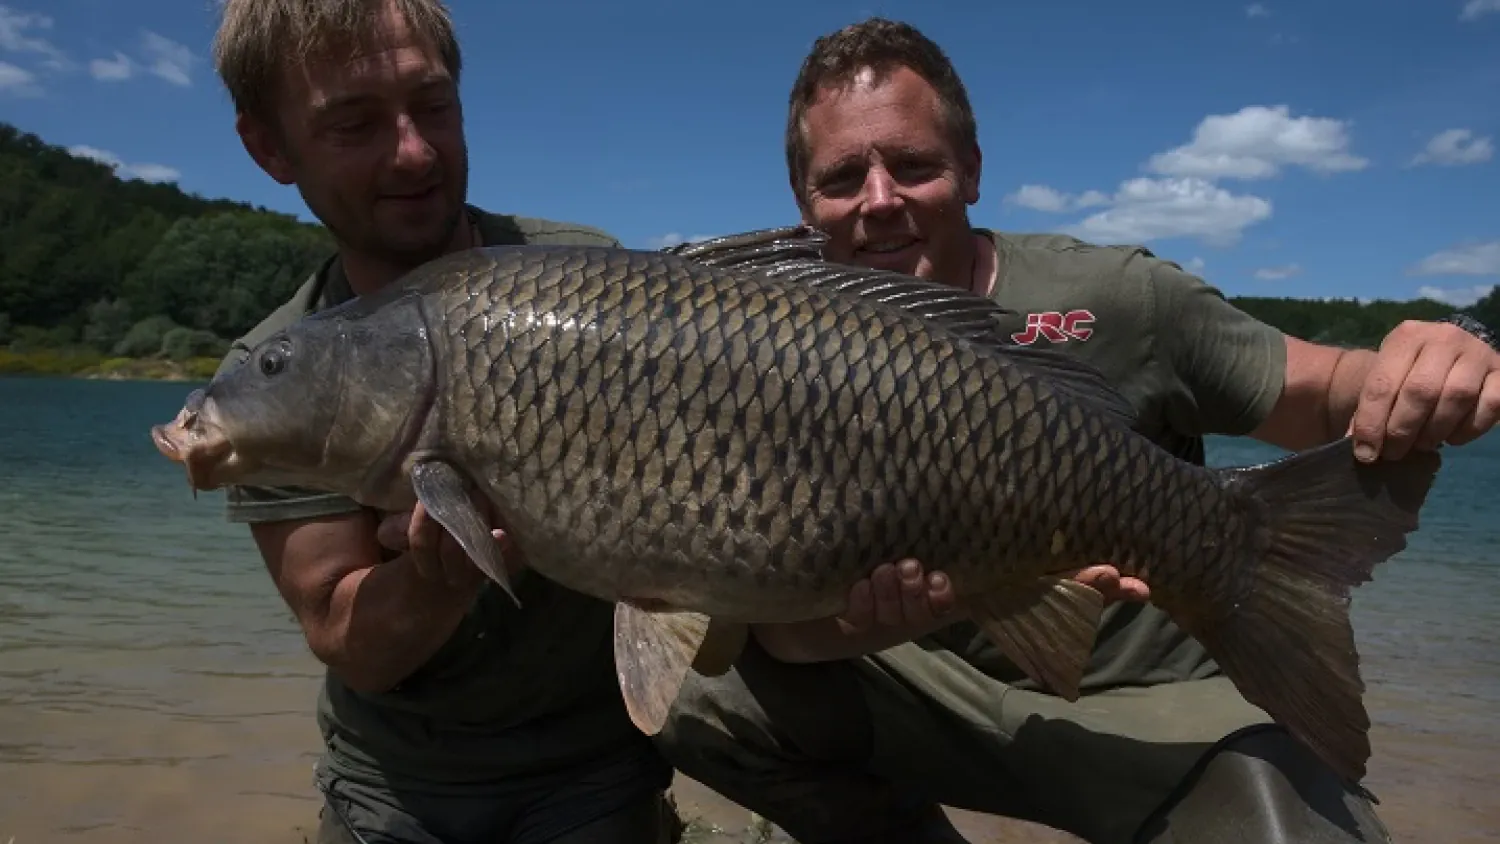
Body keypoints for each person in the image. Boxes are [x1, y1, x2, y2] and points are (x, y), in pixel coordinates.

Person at [652, 17, 1500, 844]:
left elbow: (1326, 396)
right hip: (934, 697)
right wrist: (882, 620)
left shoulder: (1118, 296)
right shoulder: (766, 358)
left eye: (913, 165)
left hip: (1150, 708)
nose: (880, 200)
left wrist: (1431, 356)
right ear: (803, 200)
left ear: (973, 169)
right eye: (842, 179)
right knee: (701, 703)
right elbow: (785, 639)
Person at [206, 1, 686, 841]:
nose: (416, 152)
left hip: (593, 766)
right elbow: (348, 638)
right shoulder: (276, 383)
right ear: (269, 148)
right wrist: (439, 575)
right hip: (397, 784)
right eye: (355, 123)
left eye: (433, 106)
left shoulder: (592, 274)